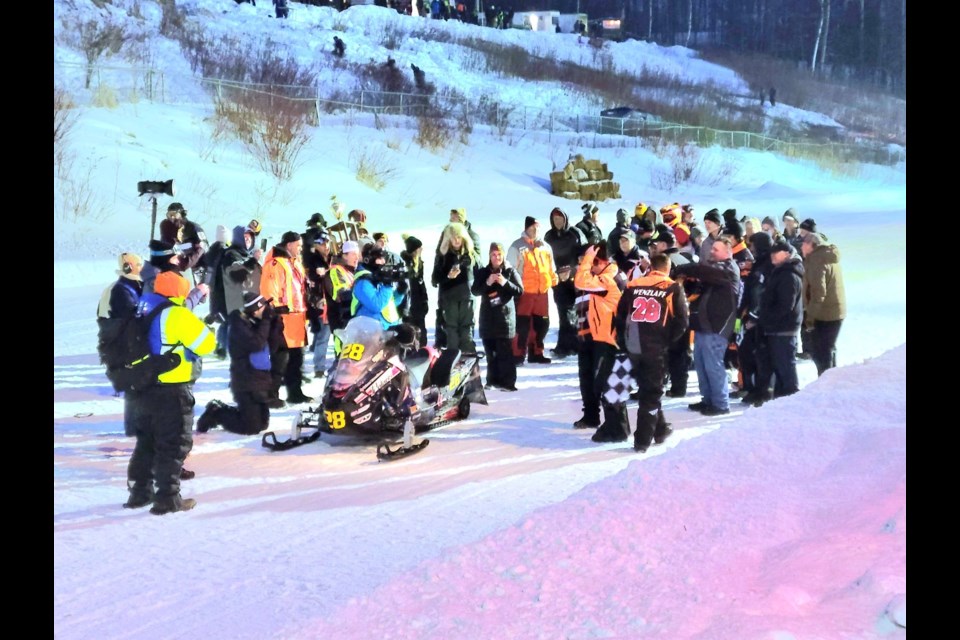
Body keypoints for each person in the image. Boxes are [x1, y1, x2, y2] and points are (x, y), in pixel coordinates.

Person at [123, 271, 215, 515]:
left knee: (146, 442)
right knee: (173, 444)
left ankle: (139, 493)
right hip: (172, 388)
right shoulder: (176, 314)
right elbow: (207, 344)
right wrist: (204, 326)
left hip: (143, 387)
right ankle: (167, 499)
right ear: (179, 291)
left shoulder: (143, 309)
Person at [615, 253, 689, 452]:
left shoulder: (633, 285)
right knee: (652, 394)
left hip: (633, 347)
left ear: (651, 267)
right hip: (655, 349)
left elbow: (620, 315)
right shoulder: (673, 287)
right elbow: (682, 321)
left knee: (646, 389)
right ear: (667, 268)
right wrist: (667, 341)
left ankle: (661, 429)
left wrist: (623, 341)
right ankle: (642, 441)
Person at [673, 237, 741, 416]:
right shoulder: (713, 270)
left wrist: (684, 268)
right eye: (712, 249)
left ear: (728, 252)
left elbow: (706, 271)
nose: (712, 252)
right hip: (704, 326)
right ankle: (708, 400)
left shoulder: (728, 269)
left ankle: (720, 404)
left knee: (713, 365)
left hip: (718, 326)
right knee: (702, 366)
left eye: (716, 249)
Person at [197, 292, 281, 435]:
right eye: (263, 309)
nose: (266, 311)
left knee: (262, 424)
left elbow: (272, 346)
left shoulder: (257, 322)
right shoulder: (238, 325)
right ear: (254, 311)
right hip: (245, 380)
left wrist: (275, 323)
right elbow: (256, 344)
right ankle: (217, 412)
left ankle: (231, 413)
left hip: (260, 378)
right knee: (251, 428)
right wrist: (266, 321)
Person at [573, 243, 628, 441]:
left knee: (609, 384)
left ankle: (618, 429)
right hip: (602, 335)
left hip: (610, 338)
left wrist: (588, 258)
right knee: (604, 384)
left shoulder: (608, 277)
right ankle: (614, 426)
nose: (587, 268)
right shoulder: (608, 275)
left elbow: (580, 280)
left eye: (589, 264)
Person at [261, 231, 312, 404]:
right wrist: (275, 309)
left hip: (297, 318)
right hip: (283, 318)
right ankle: (270, 395)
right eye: (298, 245)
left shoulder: (295, 262)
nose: (300, 249)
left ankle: (295, 392)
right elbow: (269, 289)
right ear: (289, 245)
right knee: (280, 360)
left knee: (296, 359)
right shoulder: (276, 263)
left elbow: (300, 288)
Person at [472, 242, 524, 391]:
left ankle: (508, 383)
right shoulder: (483, 272)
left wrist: (505, 283)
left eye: (499, 254)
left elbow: (520, 290)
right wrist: (487, 283)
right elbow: (475, 290)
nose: (496, 257)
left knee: (505, 353)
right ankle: (492, 381)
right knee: (490, 353)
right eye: (493, 255)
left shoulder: (510, 271)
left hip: (505, 318)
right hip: (488, 318)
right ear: (489, 256)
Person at [507, 216, 558, 364]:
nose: (534, 230)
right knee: (521, 325)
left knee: (541, 325)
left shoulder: (545, 247)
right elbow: (510, 270)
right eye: (531, 227)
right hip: (524, 293)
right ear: (526, 228)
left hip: (542, 293)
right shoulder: (517, 246)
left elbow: (551, 268)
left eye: (537, 227)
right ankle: (517, 354)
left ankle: (537, 352)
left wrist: (554, 280)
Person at [756, 240, 804, 399]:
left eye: (776, 252)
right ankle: (781, 400)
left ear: (787, 254)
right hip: (777, 329)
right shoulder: (780, 271)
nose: (772, 255)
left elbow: (785, 306)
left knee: (785, 369)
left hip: (783, 329)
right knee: (779, 368)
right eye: (772, 252)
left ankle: (791, 400)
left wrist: (767, 319)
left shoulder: (789, 275)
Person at [801, 232, 846, 376]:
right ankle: (831, 380)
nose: (801, 246)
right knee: (828, 348)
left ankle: (826, 383)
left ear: (810, 245)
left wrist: (810, 317)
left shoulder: (817, 261)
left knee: (821, 351)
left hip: (825, 313)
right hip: (835, 310)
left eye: (803, 243)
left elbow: (818, 293)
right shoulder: (826, 256)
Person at [543, 207, 585, 358]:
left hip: (576, 277)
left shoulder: (575, 234)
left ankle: (574, 344)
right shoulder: (549, 236)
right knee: (563, 311)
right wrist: (554, 275)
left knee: (575, 311)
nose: (558, 222)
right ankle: (565, 345)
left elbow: (584, 255)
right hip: (558, 278)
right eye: (555, 219)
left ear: (565, 219)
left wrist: (572, 271)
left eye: (560, 219)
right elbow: (545, 258)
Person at [432, 222, 477, 353]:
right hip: (449, 298)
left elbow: (480, 272)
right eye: (454, 237)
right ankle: (451, 361)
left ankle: (469, 361)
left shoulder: (471, 254)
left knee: (467, 329)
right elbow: (435, 279)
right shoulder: (443, 255)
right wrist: (448, 277)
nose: (457, 240)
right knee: (451, 330)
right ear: (449, 238)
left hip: (467, 297)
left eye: (459, 237)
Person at [352, 244, 407, 330]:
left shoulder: (376, 277)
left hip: (387, 328)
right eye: (380, 258)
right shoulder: (363, 282)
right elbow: (376, 306)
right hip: (371, 332)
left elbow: (388, 304)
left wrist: (400, 292)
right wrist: (387, 285)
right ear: (369, 260)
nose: (383, 261)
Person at [304, 230, 333, 378]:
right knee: (323, 336)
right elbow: (310, 282)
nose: (326, 245)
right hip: (320, 303)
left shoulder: (332, 258)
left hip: (333, 302)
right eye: (322, 243)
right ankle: (319, 367)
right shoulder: (312, 260)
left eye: (327, 242)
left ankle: (334, 364)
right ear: (316, 245)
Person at [158, 202, 208, 285]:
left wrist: (188, 262)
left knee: (197, 292)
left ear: (181, 213)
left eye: (174, 214)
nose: (172, 217)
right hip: (180, 264)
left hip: (198, 265)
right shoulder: (168, 228)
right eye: (169, 215)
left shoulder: (193, 227)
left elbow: (202, 246)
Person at [400, 234, 429, 346]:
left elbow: (421, 285)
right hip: (410, 305)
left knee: (421, 333)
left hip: (419, 305)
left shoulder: (419, 264)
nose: (421, 249)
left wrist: (424, 301)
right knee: (411, 333)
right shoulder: (406, 264)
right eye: (419, 248)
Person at [97, 252, 144, 320]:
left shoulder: (137, 284)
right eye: (138, 265)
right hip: (125, 329)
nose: (142, 268)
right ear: (128, 267)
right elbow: (131, 316)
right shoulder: (120, 289)